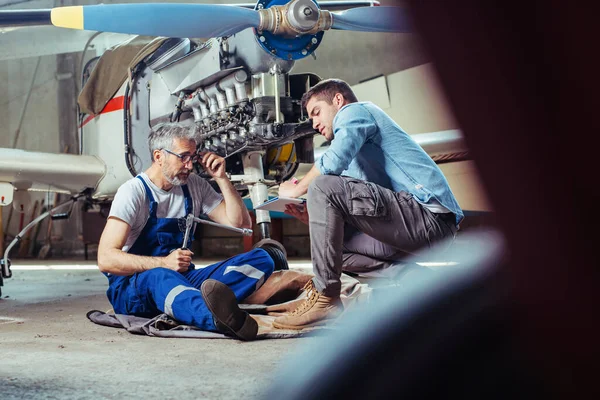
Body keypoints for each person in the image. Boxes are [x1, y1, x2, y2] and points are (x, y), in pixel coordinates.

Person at [273, 79, 463, 330]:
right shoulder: (355, 156)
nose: (314, 124)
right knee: (335, 247)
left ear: (338, 100)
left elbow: (332, 165)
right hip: (410, 228)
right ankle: (427, 285)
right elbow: (358, 205)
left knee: (321, 184)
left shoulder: (356, 112)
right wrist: (315, 217)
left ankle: (325, 298)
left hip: (429, 217)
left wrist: (296, 189)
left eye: (316, 112)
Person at [97, 122, 280, 341]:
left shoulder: (194, 185)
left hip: (183, 279)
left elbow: (239, 224)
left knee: (263, 259)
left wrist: (222, 178)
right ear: (158, 156)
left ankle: (195, 305)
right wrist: (163, 263)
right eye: (183, 157)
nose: (190, 165)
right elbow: (106, 259)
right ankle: (217, 318)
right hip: (133, 288)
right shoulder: (133, 192)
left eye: (192, 157)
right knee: (160, 277)